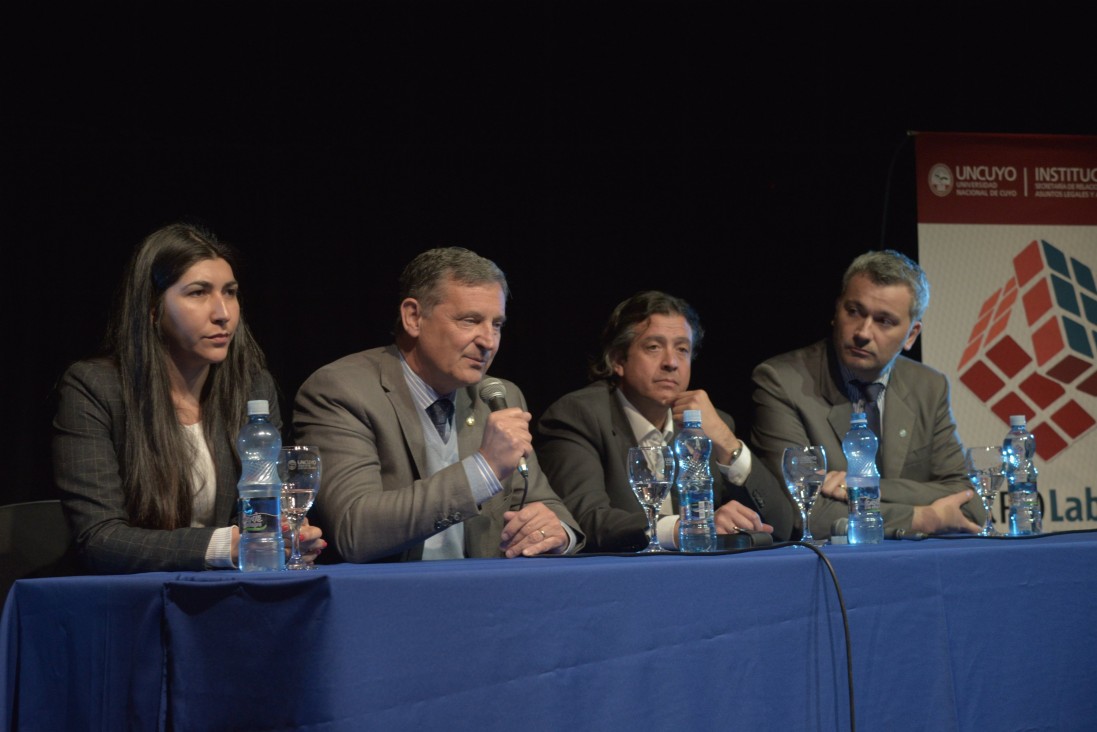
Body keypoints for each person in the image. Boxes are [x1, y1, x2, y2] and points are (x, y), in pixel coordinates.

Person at [52, 222, 324, 574]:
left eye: (230, 292)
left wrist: (285, 535)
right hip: (129, 604)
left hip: (226, 596)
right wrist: (227, 546)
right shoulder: (95, 388)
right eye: (198, 293)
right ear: (152, 308)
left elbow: (254, 511)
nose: (223, 313)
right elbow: (100, 540)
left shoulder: (251, 389)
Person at [293, 246, 584, 563]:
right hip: (387, 600)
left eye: (497, 324)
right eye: (470, 320)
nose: (489, 341)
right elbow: (354, 530)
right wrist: (483, 470)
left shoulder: (499, 396)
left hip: (487, 599)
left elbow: (545, 505)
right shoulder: (343, 391)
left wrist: (556, 533)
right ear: (414, 317)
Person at [536, 291, 796, 553]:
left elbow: (782, 525)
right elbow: (584, 521)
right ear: (617, 360)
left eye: (682, 349)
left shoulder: (711, 425)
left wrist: (726, 441)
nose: (671, 363)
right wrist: (685, 528)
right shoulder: (578, 416)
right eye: (654, 347)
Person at [751, 249, 983, 540]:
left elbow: (969, 501)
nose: (863, 332)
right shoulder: (782, 382)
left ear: (912, 335)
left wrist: (865, 486)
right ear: (836, 312)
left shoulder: (928, 386)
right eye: (854, 311)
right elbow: (805, 515)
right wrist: (921, 518)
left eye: (884, 321)